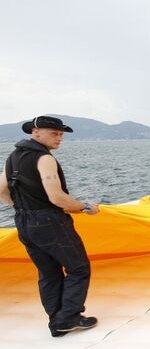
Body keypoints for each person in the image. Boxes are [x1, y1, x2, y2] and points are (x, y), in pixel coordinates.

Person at [0, 115, 100, 337]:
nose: (59, 138)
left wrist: (23, 208)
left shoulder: (13, 157)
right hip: (49, 221)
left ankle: (57, 322)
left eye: (61, 134)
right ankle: (69, 318)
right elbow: (57, 198)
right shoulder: (45, 159)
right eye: (54, 133)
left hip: (24, 222)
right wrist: (85, 207)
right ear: (35, 132)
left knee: (48, 273)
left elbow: (1, 190)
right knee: (78, 268)